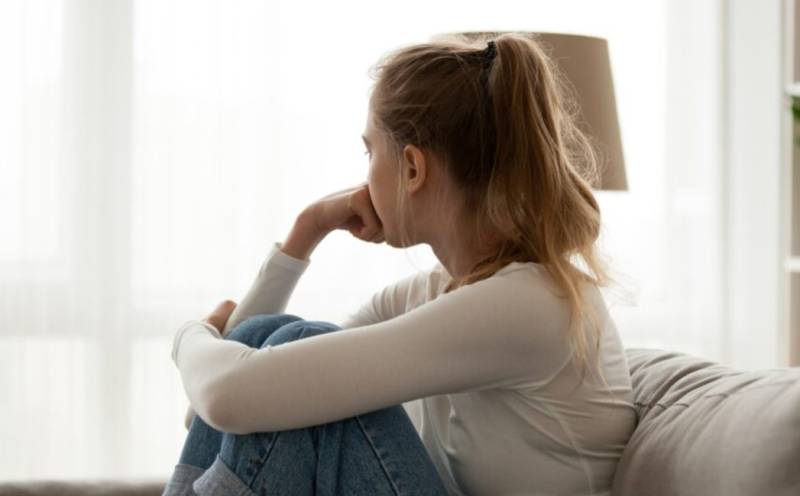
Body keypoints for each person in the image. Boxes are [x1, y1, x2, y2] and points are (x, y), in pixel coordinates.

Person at [163, 32, 637, 496]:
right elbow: (218, 408)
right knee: (276, 341)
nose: (365, 174)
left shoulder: (529, 304)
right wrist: (308, 228)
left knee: (297, 344)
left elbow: (226, 396)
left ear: (413, 168)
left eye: (369, 152)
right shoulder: (436, 292)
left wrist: (190, 337)